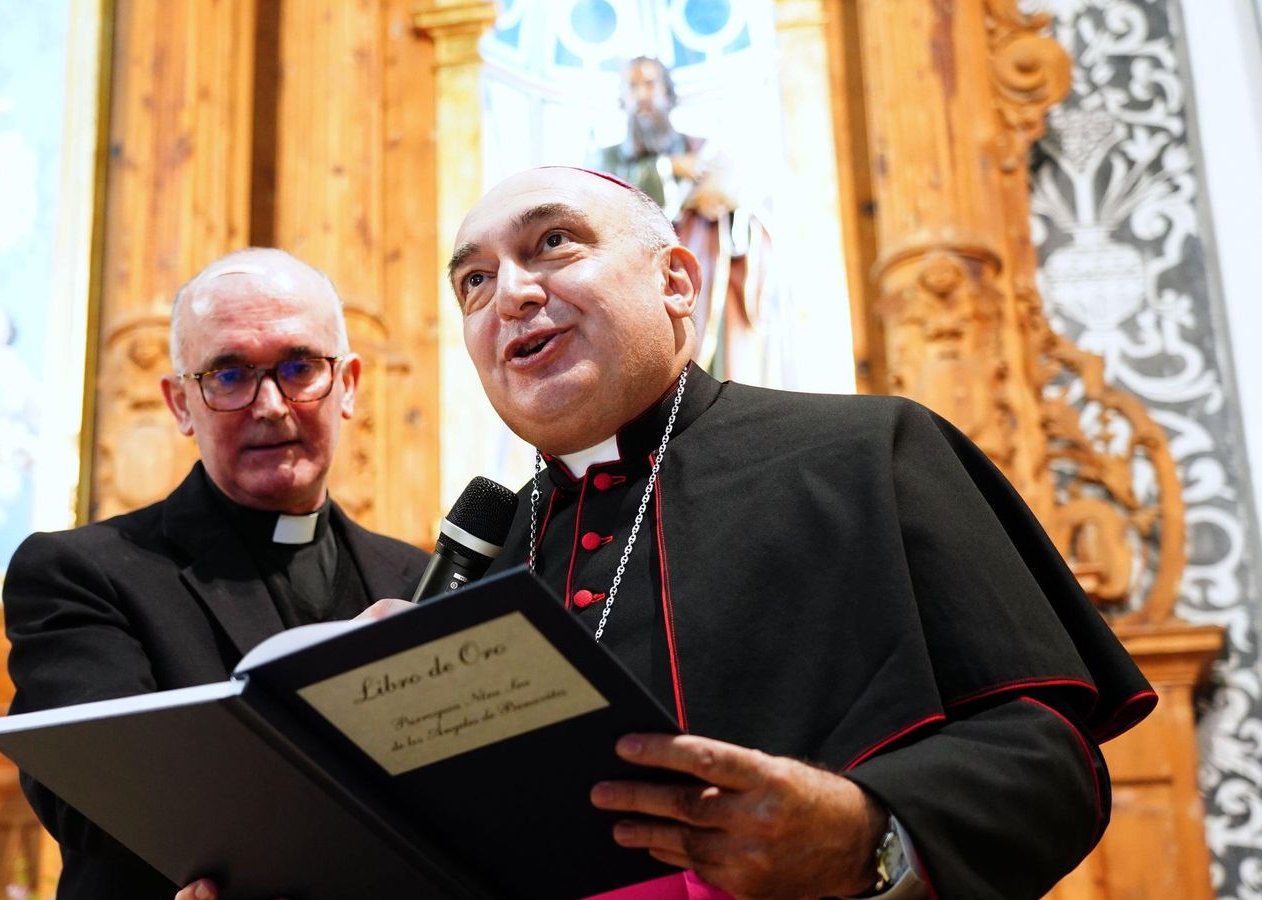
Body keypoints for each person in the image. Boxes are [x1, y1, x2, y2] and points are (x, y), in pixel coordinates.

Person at [437, 166, 1154, 899]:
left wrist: (865, 837)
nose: (512, 296)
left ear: (678, 282)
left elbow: (1049, 761)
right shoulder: (487, 561)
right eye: (475, 282)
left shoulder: (869, 452)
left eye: (554, 242)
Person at [3, 248, 429, 898]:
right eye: (229, 375)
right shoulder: (81, 574)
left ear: (347, 385)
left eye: (299, 367)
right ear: (180, 402)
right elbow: (99, 799)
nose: (270, 405)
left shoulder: (419, 581)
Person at [593, 56, 782, 386]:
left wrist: (726, 209)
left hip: (703, 277)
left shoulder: (701, 149)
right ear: (621, 98)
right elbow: (602, 207)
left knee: (714, 366)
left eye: (650, 84)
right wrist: (668, 169)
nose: (642, 95)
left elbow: (742, 204)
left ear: (669, 93)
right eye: (632, 86)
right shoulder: (604, 159)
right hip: (635, 286)